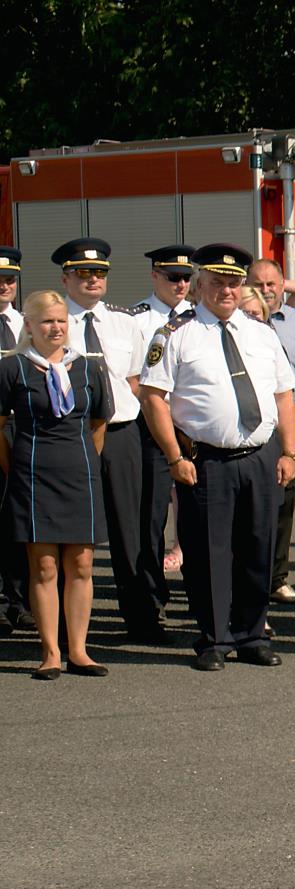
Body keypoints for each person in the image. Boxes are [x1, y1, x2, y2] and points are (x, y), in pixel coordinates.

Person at [140, 243, 295, 671]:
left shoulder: (262, 333)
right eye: (216, 282)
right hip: (206, 461)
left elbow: (284, 396)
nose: (226, 290)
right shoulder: (176, 334)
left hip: (260, 458)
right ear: (199, 284)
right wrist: (174, 456)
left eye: (233, 282)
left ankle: (252, 635)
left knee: (258, 548)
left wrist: (289, 451)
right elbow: (153, 397)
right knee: (208, 553)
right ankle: (213, 638)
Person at [0, 291, 113, 678]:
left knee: (81, 564)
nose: (55, 328)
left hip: (79, 474)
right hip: (33, 475)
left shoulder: (88, 368)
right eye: (47, 321)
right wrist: (16, 467)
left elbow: (98, 424)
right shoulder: (12, 368)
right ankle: (50, 652)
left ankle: (79, 651)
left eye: (61, 321)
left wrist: (85, 463)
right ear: (29, 325)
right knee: (44, 566)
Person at [51, 238, 154, 644]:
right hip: (72, 435)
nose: (93, 280)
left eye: (99, 273)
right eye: (83, 273)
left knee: (130, 530)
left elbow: (135, 381)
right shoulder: (53, 321)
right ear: (65, 278)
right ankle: (66, 629)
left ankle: (140, 619)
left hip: (121, 434)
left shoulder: (125, 322)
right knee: (70, 534)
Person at [127, 245, 197, 639]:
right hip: (154, 432)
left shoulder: (200, 318)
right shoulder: (137, 320)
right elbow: (133, 379)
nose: (181, 284)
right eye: (173, 277)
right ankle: (151, 603)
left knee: (199, 519)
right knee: (151, 520)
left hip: (196, 432)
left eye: (186, 277)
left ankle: (202, 597)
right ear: (155, 276)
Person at [248, 257, 295, 608]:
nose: (266, 291)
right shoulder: (240, 321)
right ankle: (245, 580)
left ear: (282, 285)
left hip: (287, 427)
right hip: (248, 428)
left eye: (272, 284)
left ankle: (277, 579)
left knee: (284, 505)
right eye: (258, 284)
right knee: (248, 506)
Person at [0, 245, 31, 633]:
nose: (4, 286)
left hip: (18, 428)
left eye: (9, 280)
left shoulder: (27, 324)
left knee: (16, 518)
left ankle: (19, 600)